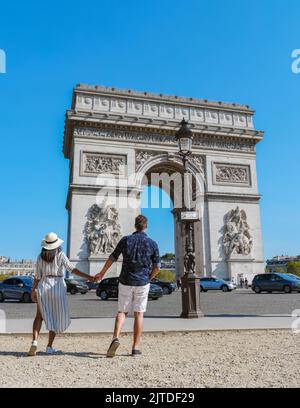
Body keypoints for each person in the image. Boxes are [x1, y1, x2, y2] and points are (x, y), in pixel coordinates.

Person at [95, 215, 160, 358]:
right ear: (146, 226)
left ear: (135, 226)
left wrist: (102, 273)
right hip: (142, 282)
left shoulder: (126, 240)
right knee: (139, 314)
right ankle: (135, 348)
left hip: (125, 280)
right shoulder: (153, 243)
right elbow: (157, 267)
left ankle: (115, 338)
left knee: (122, 312)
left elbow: (113, 257)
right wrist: (149, 278)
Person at [28, 232, 93, 356]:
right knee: (55, 317)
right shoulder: (61, 255)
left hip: (44, 285)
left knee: (39, 316)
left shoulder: (40, 257)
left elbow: (37, 276)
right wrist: (89, 277)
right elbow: (72, 269)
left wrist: (33, 290)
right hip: (57, 285)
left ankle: (34, 342)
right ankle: (49, 346)